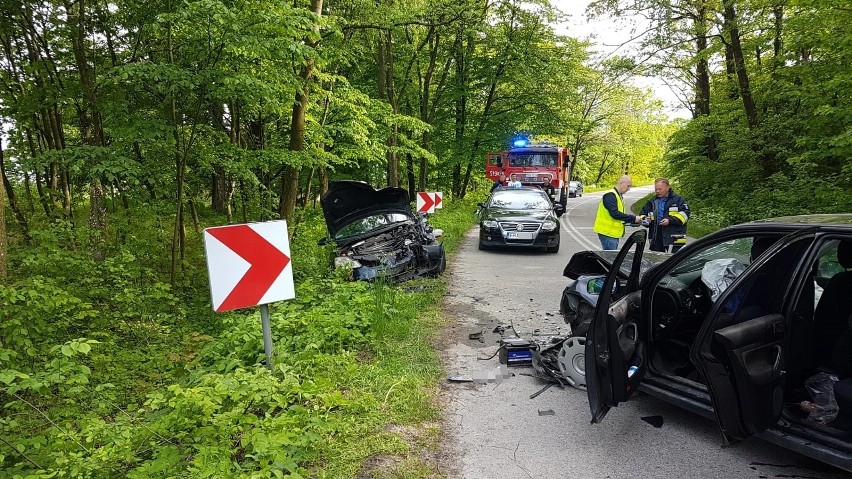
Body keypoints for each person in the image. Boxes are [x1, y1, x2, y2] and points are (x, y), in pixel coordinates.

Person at [639, 178, 690, 253]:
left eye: (660, 189)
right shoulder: (651, 201)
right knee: (656, 260)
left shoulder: (678, 200)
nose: (657, 191)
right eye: (656, 189)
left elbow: (685, 214)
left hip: (675, 234)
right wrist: (646, 220)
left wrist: (670, 221)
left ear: (667, 188)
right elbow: (641, 215)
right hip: (656, 235)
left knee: (675, 260)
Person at [593, 175, 641, 250]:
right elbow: (615, 214)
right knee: (610, 258)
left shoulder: (618, 196)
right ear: (621, 183)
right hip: (607, 233)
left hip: (611, 233)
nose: (629, 189)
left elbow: (620, 216)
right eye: (628, 186)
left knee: (611, 258)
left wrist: (632, 222)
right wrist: (633, 218)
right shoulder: (610, 195)